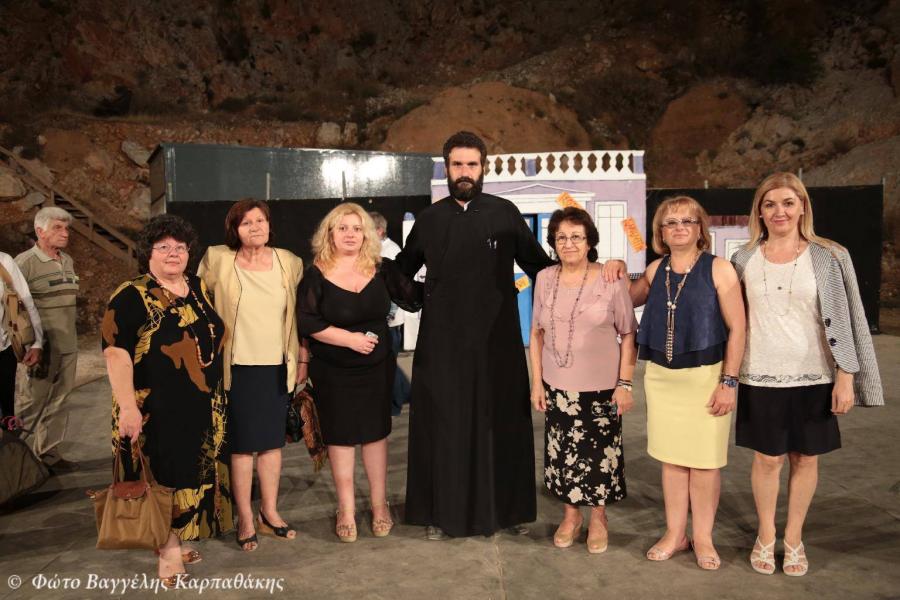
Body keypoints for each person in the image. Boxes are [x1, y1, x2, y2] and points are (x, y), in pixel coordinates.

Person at [394, 131, 554, 539]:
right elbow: (401, 271)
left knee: (501, 422)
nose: (464, 172)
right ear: (446, 168)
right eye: (457, 164)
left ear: (484, 168)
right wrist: (422, 298)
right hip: (442, 345)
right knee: (444, 426)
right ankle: (439, 514)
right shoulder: (429, 220)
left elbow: (541, 268)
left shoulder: (505, 213)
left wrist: (591, 273)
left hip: (497, 342)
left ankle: (507, 512)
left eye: (471, 164)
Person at [731, 173, 883, 576]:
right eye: (769, 204)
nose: (779, 211)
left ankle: (794, 538)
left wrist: (846, 374)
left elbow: (851, 316)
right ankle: (766, 535)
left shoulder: (830, 255)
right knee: (768, 459)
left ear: (802, 207)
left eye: (788, 202)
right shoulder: (743, 258)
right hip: (760, 375)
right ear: (759, 212)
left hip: (814, 376)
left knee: (805, 457)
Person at [101, 214, 233, 587]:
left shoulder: (198, 287)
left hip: (200, 405)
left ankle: (178, 536)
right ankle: (168, 549)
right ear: (148, 253)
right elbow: (116, 354)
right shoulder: (131, 294)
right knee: (162, 477)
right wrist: (128, 407)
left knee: (190, 475)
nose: (173, 253)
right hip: (154, 409)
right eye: (163, 247)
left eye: (180, 247)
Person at [630, 196, 745, 570]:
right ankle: (675, 533)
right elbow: (619, 300)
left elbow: (738, 328)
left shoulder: (720, 269)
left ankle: (704, 537)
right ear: (661, 232)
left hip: (706, 378)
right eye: (671, 222)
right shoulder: (654, 270)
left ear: (700, 229)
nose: (679, 227)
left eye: (687, 221)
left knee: (705, 463)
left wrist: (729, 382)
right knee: (673, 461)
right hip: (662, 379)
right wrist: (614, 267)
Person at [297, 202, 419, 542]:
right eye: (342, 228)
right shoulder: (316, 273)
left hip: (376, 369)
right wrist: (348, 339)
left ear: (368, 234)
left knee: (375, 434)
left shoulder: (382, 268)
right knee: (340, 437)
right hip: (333, 371)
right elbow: (306, 321)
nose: (350, 234)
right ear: (329, 234)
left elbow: (416, 298)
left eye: (357, 228)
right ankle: (346, 508)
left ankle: (379, 505)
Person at [198, 198, 305, 552]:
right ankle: (245, 516)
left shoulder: (289, 262)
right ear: (235, 229)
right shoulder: (217, 259)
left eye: (260, 220)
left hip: (276, 366)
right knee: (242, 446)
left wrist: (303, 358)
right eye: (246, 223)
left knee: (273, 444)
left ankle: (269, 513)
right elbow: (197, 302)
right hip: (237, 368)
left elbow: (299, 315)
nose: (255, 227)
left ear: (270, 225)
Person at [529, 207, 637, 554]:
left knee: (600, 456)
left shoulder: (610, 277)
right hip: (558, 386)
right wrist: (536, 383)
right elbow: (536, 334)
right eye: (561, 237)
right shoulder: (544, 278)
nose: (569, 243)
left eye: (576, 236)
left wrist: (625, 383)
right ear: (553, 243)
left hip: (602, 388)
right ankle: (571, 517)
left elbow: (629, 333)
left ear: (590, 241)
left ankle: (599, 518)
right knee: (563, 455)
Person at [15, 207, 80, 472]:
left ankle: (49, 455)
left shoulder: (68, 261)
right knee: (30, 403)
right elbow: (11, 308)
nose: (65, 233)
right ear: (40, 231)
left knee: (60, 401)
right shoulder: (24, 263)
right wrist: (29, 344)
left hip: (68, 345)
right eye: (57, 228)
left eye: (66, 228)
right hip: (40, 348)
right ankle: (17, 462)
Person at [370, 211, 411, 416]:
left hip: (390, 321)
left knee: (389, 365)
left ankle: (394, 405)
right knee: (390, 363)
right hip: (387, 319)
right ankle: (404, 395)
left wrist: (388, 315)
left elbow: (394, 286)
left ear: (379, 231)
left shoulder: (390, 251)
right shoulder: (379, 250)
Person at [0, 251, 44, 420]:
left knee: (6, 413)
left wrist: (37, 342)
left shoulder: (4, 261)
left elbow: (26, 302)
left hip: (4, 349)